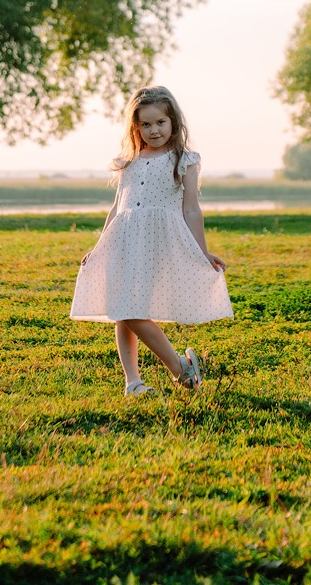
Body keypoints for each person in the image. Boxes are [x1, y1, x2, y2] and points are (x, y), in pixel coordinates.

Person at [70, 85, 233, 396]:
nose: (153, 130)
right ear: (136, 127)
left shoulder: (183, 159)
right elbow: (118, 207)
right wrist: (99, 247)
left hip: (158, 241)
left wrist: (203, 252)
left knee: (130, 308)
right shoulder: (128, 161)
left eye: (160, 122)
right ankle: (133, 382)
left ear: (173, 122)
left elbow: (191, 209)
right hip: (123, 240)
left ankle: (179, 368)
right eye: (145, 124)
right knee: (121, 308)